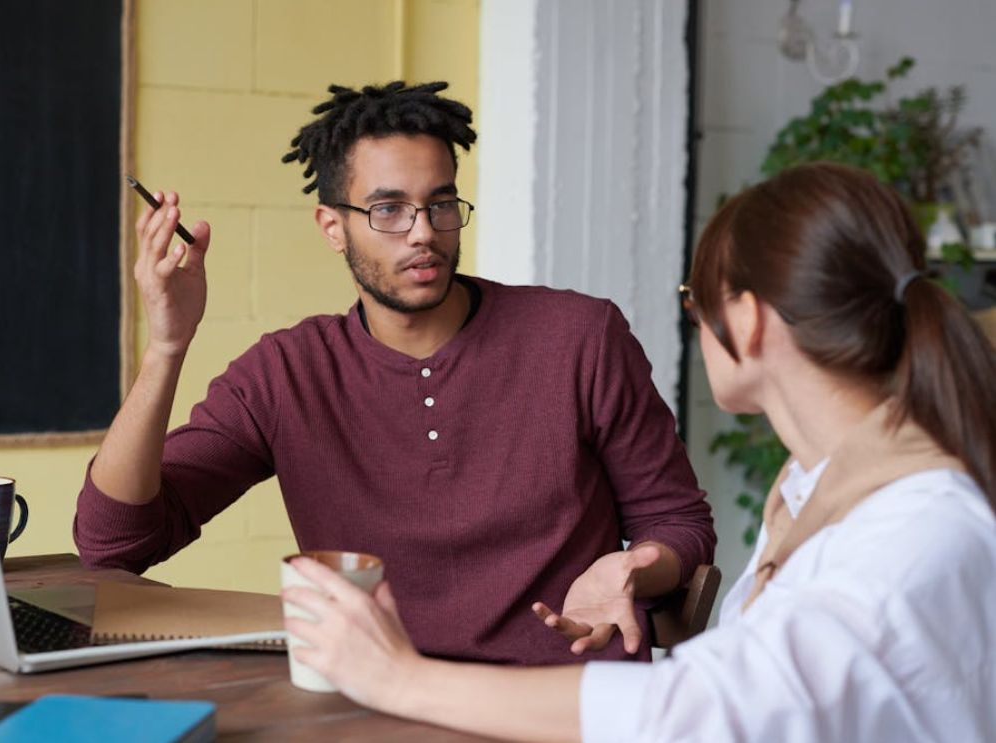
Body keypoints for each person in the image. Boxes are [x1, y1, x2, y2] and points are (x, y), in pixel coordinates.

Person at [281, 162, 996, 742]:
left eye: (693, 299)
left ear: (747, 321)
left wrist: (399, 678)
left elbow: (706, 710)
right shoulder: (817, 488)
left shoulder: (914, 529)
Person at [74, 81, 715, 665]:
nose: (423, 233)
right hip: (378, 701)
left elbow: (680, 523)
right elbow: (115, 544)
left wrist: (630, 570)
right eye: (388, 210)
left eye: (441, 204)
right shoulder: (285, 373)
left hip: (560, 700)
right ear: (333, 227)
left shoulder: (579, 337)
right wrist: (167, 346)